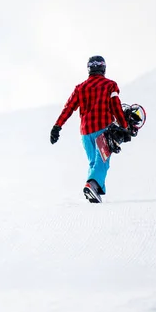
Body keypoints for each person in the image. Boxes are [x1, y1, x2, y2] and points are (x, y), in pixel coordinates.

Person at [49, 55, 130, 203]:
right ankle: (92, 185)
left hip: (85, 133)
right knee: (102, 162)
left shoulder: (80, 88)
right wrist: (124, 127)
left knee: (94, 162)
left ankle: (95, 191)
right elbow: (116, 107)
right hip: (103, 130)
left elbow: (68, 108)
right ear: (103, 68)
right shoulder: (110, 85)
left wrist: (57, 126)